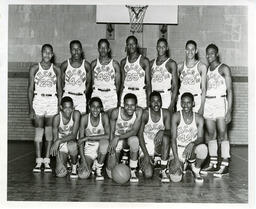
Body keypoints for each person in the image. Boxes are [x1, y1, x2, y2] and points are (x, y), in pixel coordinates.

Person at [28, 44, 62, 173]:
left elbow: (59, 90)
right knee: (38, 133)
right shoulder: (35, 68)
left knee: (48, 133)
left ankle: (47, 161)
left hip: (52, 100)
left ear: (52, 54)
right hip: (39, 100)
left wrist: (59, 107)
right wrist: (30, 108)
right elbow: (30, 89)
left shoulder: (57, 69)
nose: (47, 55)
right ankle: (38, 161)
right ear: (41, 53)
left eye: (49, 53)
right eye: (45, 52)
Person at [201, 44, 233, 177]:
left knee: (222, 133)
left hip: (220, 102)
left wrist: (229, 110)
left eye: (212, 53)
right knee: (211, 134)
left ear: (217, 54)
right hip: (209, 102)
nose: (209, 56)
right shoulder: (208, 69)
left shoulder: (224, 68)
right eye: (207, 53)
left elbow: (230, 91)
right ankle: (213, 163)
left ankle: (224, 164)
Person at [170, 93, 208, 183]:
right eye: (183, 102)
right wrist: (176, 159)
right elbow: (173, 139)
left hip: (191, 149)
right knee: (176, 179)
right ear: (180, 103)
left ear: (193, 103)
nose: (185, 105)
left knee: (203, 148)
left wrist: (192, 143)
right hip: (178, 149)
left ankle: (195, 169)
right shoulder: (176, 116)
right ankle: (183, 164)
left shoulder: (199, 118)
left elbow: (201, 138)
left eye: (188, 103)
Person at [107, 93, 143, 182]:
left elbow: (134, 131)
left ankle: (133, 170)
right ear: (123, 104)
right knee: (111, 174)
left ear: (136, 105)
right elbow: (111, 131)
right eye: (127, 105)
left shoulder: (139, 112)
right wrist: (112, 145)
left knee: (135, 140)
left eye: (132, 105)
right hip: (116, 140)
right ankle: (120, 156)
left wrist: (118, 137)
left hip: (127, 138)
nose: (129, 108)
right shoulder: (115, 112)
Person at [138, 91, 171, 183]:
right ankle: (150, 162)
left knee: (165, 137)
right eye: (153, 101)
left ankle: (163, 169)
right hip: (147, 147)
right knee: (148, 175)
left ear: (161, 102)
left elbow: (171, 131)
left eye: (158, 101)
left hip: (159, 146)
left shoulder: (165, 113)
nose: (156, 104)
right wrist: (146, 155)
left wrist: (162, 131)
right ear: (149, 103)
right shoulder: (144, 114)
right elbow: (139, 135)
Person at [77, 97, 110, 181]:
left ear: (101, 108)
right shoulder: (84, 118)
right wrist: (83, 161)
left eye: (98, 107)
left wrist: (88, 137)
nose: (95, 109)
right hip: (89, 148)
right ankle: (92, 164)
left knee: (105, 143)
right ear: (89, 107)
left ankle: (98, 168)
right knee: (83, 175)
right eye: (93, 106)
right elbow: (80, 141)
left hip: (101, 148)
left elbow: (108, 136)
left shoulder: (104, 117)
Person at [50, 96, 81, 178]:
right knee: (60, 174)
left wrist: (58, 141)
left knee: (72, 145)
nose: (68, 110)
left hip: (72, 142)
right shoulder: (56, 118)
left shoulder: (76, 114)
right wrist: (58, 156)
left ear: (73, 107)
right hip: (61, 145)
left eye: (70, 107)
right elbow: (55, 139)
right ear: (61, 107)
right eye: (65, 108)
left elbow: (74, 135)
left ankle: (74, 166)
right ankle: (66, 160)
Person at [91, 39, 121, 115]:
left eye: (105, 48)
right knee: (97, 120)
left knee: (111, 119)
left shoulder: (115, 64)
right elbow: (92, 82)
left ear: (108, 49)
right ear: (98, 49)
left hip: (110, 95)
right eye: (101, 47)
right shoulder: (94, 63)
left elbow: (118, 84)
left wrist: (113, 95)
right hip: (97, 93)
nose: (103, 50)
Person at [61, 40, 91, 115]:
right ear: (70, 50)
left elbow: (89, 83)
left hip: (80, 97)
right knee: (67, 122)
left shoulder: (86, 65)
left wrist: (83, 93)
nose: (76, 52)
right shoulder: (65, 65)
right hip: (68, 96)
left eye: (78, 49)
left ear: (81, 50)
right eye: (73, 49)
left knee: (81, 122)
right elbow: (61, 83)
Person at [120, 35, 151, 108]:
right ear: (126, 46)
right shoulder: (123, 62)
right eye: (129, 44)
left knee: (141, 117)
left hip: (140, 93)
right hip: (126, 92)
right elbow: (122, 83)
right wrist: (119, 99)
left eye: (133, 44)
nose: (131, 46)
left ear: (137, 45)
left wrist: (149, 101)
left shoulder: (144, 61)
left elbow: (148, 84)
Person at [177, 40, 207, 114]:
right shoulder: (179, 66)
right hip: (182, 100)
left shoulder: (202, 66)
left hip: (196, 100)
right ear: (185, 50)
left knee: (196, 124)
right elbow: (175, 86)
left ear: (196, 51)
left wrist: (202, 106)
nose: (190, 51)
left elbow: (203, 89)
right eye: (188, 49)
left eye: (192, 49)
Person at [150, 38, 178, 112]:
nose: (161, 49)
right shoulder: (151, 63)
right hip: (154, 96)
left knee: (166, 122)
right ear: (156, 47)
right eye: (159, 46)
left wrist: (172, 104)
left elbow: (175, 86)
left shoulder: (171, 63)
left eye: (163, 47)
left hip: (165, 96)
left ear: (167, 48)